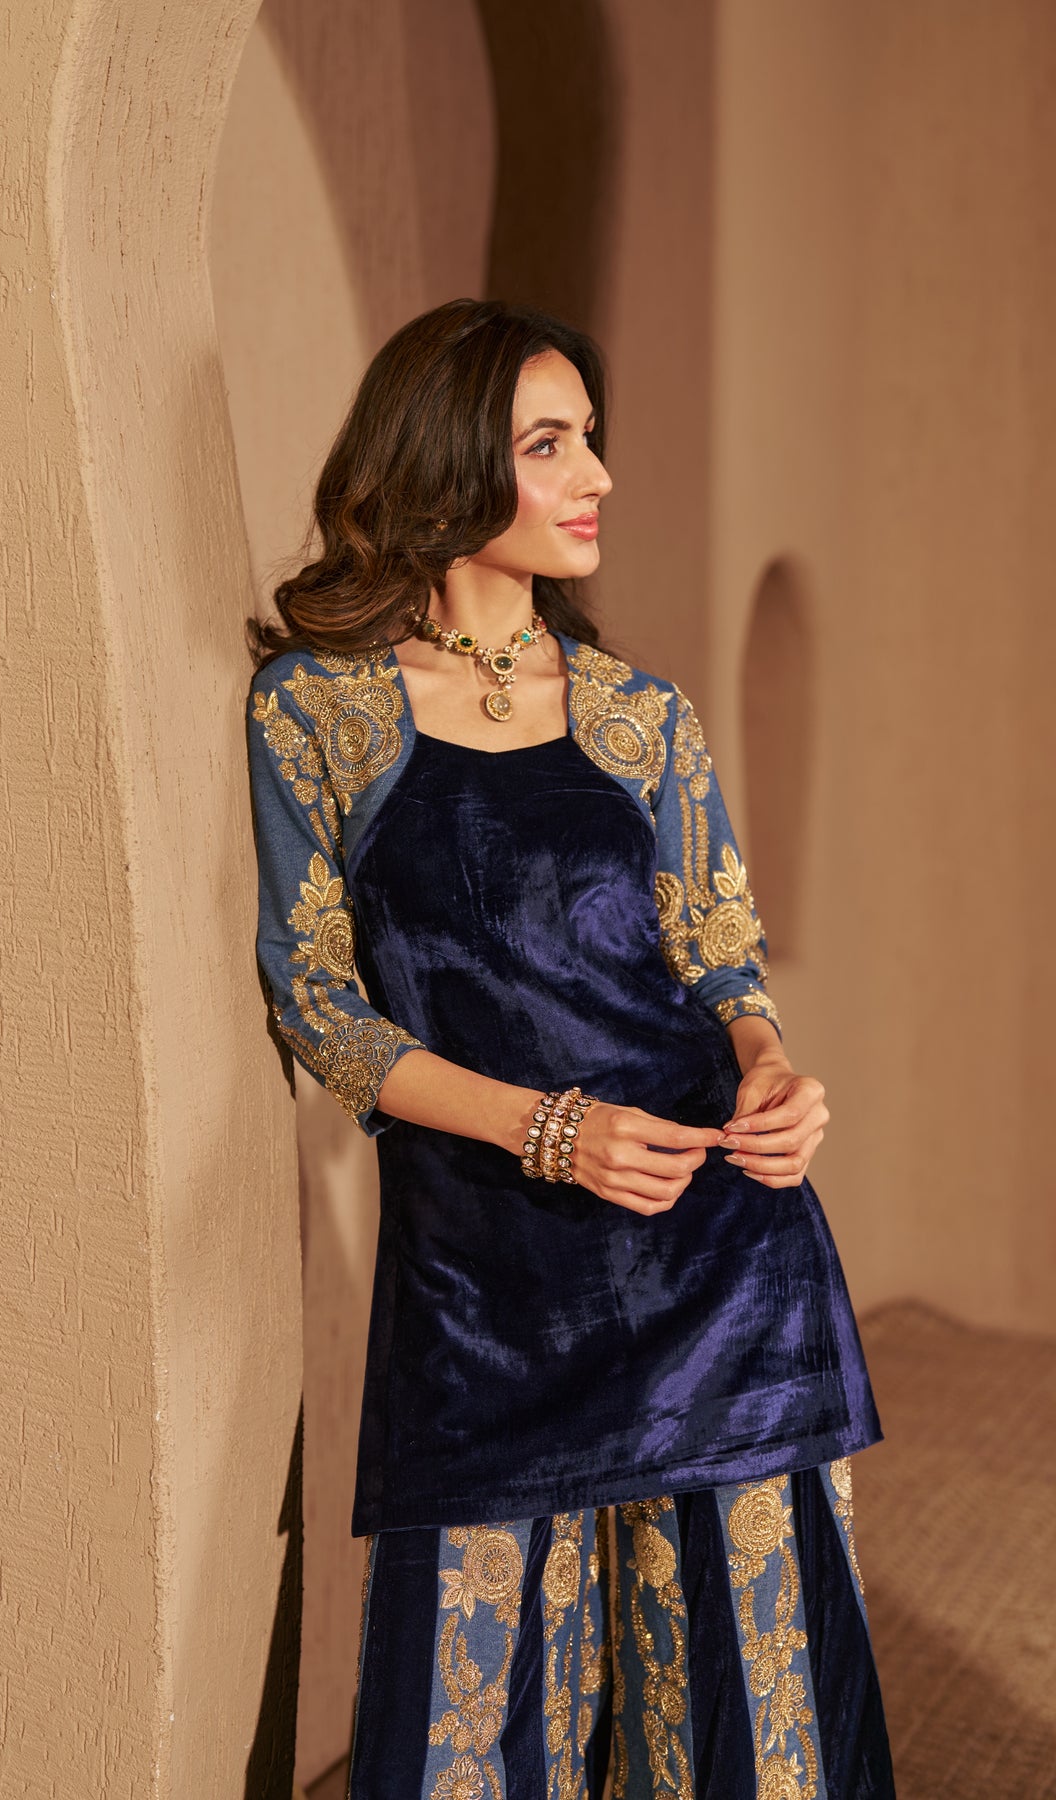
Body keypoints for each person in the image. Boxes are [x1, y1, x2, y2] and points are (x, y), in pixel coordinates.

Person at [244, 298, 895, 1798]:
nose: (597, 473)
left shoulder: (637, 717)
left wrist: (771, 1070)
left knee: (751, 1733)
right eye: (550, 444)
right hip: (483, 1275)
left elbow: (718, 954)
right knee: (468, 1738)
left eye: (589, 438)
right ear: (448, 460)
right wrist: (549, 1130)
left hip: (716, 1252)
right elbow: (321, 1009)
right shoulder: (319, 711)